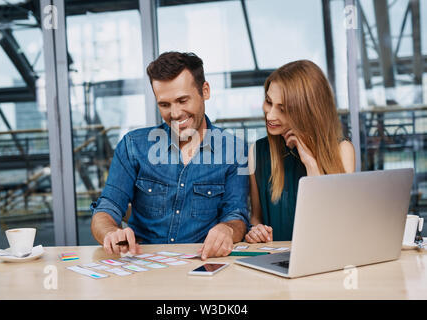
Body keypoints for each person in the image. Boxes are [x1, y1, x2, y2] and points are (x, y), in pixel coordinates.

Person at [90, 52, 249, 260]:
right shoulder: (133, 146)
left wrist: (227, 229)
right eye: (164, 104)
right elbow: (106, 208)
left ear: (205, 91)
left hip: (202, 264)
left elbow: (236, 216)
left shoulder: (234, 150)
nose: (174, 113)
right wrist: (110, 233)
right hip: (143, 268)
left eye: (182, 100)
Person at [246, 60, 355, 243]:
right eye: (268, 102)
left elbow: (336, 224)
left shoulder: (342, 151)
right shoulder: (257, 152)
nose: (270, 115)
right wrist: (255, 231)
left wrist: (310, 162)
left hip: (326, 259)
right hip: (276, 260)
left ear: (307, 112)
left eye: (282, 109)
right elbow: (256, 218)